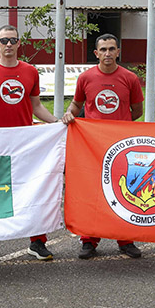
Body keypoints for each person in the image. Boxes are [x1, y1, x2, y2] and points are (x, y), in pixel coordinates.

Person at [0, 24, 61, 262]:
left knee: (33, 189)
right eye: (4, 40)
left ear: (19, 44)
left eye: (13, 40)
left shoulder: (30, 71)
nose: (9, 44)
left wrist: (57, 122)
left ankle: (37, 242)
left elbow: (36, 106)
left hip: (25, 142)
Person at [61, 33, 145, 259]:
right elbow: (76, 104)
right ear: (96, 53)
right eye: (103, 49)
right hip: (92, 147)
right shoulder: (86, 78)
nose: (108, 53)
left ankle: (125, 240)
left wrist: (118, 128)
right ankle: (89, 240)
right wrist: (69, 114)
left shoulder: (130, 78)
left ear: (118, 52)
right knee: (93, 192)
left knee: (124, 190)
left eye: (112, 49)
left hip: (122, 146)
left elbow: (137, 111)